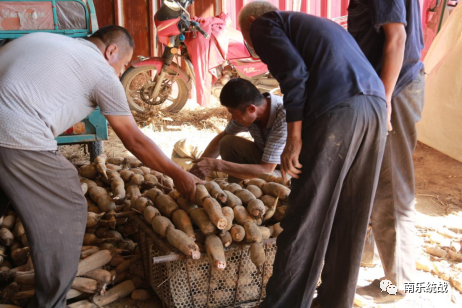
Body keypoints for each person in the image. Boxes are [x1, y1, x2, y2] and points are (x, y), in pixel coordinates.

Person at [0, 26, 201, 307]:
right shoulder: (100, 70)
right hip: (14, 134)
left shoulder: (48, 41)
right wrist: (178, 172)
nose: (119, 74)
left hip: (8, 131)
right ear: (111, 51)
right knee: (68, 203)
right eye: (122, 67)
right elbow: (133, 139)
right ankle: (49, 303)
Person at [238, 2, 388, 307]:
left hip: (339, 111)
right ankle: (334, 301)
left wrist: (294, 137)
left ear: (251, 21)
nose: (253, 47)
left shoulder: (264, 23)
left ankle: (284, 304)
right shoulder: (315, 25)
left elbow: (295, 74)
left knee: (306, 216)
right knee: (351, 216)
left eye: (247, 40)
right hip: (375, 110)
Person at [348, 0, 425, 303]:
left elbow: (397, 37)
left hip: (395, 88)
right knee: (374, 178)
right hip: (390, 87)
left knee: (391, 189)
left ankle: (398, 281)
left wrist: (385, 99)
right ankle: (371, 256)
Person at [189, 78, 287, 183]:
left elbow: (266, 170)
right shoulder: (247, 109)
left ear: (251, 109)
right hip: (264, 159)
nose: (233, 118)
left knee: (264, 184)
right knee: (227, 142)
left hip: (287, 170)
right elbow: (222, 138)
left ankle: (242, 190)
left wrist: (215, 165)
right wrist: (198, 168)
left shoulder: (284, 117)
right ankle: (235, 188)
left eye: (234, 114)